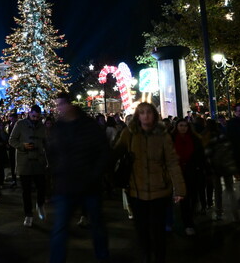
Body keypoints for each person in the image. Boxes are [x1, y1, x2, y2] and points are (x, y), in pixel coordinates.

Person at [113, 103, 185, 263]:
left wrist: (179, 189)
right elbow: (115, 154)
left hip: (159, 190)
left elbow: (172, 162)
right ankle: (146, 256)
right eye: (142, 113)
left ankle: (159, 257)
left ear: (154, 115)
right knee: (141, 230)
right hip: (136, 191)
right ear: (138, 116)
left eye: (149, 112)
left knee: (158, 230)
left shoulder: (163, 135)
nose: (146, 116)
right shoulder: (129, 134)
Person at [47, 92, 110, 263]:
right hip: (65, 185)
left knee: (97, 226)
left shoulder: (88, 125)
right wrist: (57, 173)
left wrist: (95, 174)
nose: (59, 108)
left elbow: (103, 152)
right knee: (60, 228)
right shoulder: (58, 127)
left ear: (69, 104)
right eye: (57, 105)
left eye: (61, 104)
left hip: (89, 184)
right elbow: (52, 152)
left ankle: (102, 256)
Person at [9, 105, 48, 227]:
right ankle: (28, 215)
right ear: (29, 113)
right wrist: (23, 146)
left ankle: (40, 204)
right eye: (33, 116)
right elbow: (12, 140)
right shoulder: (20, 124)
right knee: (26, 191)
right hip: (24, 161)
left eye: (37, 116)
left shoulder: (42, 126)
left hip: (38, 161)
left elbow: (46, 142)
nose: (35, 119)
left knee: (42, 186)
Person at [171, 118, 205, 235]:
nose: (183, 128)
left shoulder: (194, 139)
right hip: (179, 172)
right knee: (184, 198)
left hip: (192, 171)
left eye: (185, 125)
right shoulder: (172, 139)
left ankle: (190, 219)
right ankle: (187, 223)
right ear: (177, 127)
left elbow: (200, 155)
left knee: (193, 197)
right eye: (180, 125)